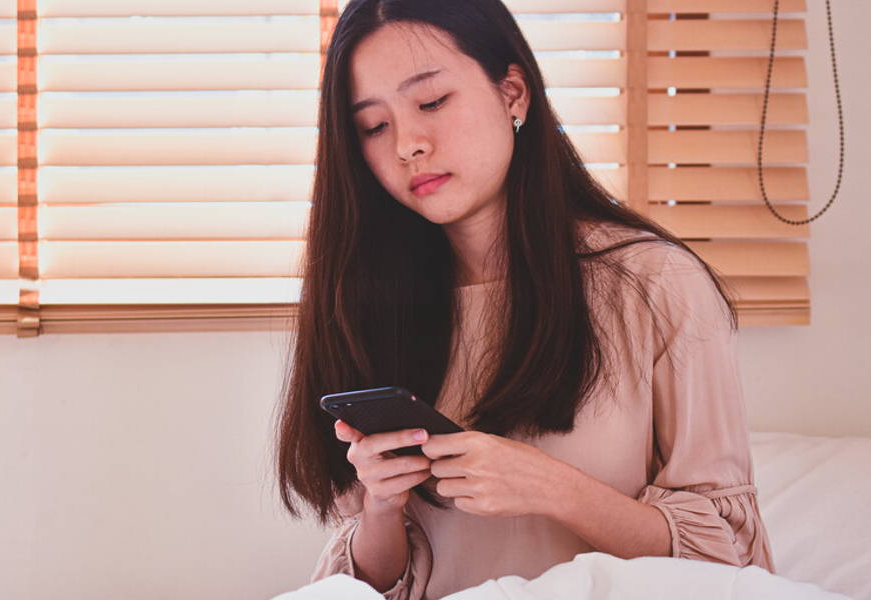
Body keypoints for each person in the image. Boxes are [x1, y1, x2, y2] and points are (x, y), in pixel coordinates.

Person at [273, 1, 776, 597]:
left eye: (432, 102)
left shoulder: (657, 284)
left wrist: (549, 487)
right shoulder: (367, 302)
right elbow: (372, 582)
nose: (408, 144)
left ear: (513, 94)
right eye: (373, 127)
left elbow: (734, 564)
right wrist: (381, 508)